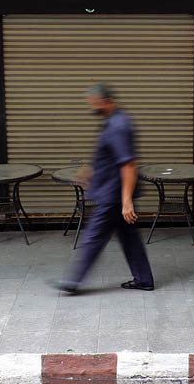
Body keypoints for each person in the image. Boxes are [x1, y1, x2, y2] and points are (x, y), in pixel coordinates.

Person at [51, 83, 154, 294]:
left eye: (94, 103)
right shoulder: (113, 121)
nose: (92, 107)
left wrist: (126, 201)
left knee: (93, 237)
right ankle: (144, 279)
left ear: (106, 101)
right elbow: (111, 157)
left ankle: (72, 281)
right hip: (113, 191)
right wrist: (89, 172)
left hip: (113, 195)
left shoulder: (118, 126)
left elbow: (128, 165)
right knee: (129, 238)